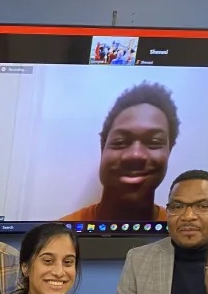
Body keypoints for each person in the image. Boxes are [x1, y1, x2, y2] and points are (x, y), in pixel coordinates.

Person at [61, 82, 179, 223]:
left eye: (153, 142)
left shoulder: (183, 233)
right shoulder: (57, 236)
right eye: (119, 142)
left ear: (169, 152)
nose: (135, 155)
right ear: (102, 149)